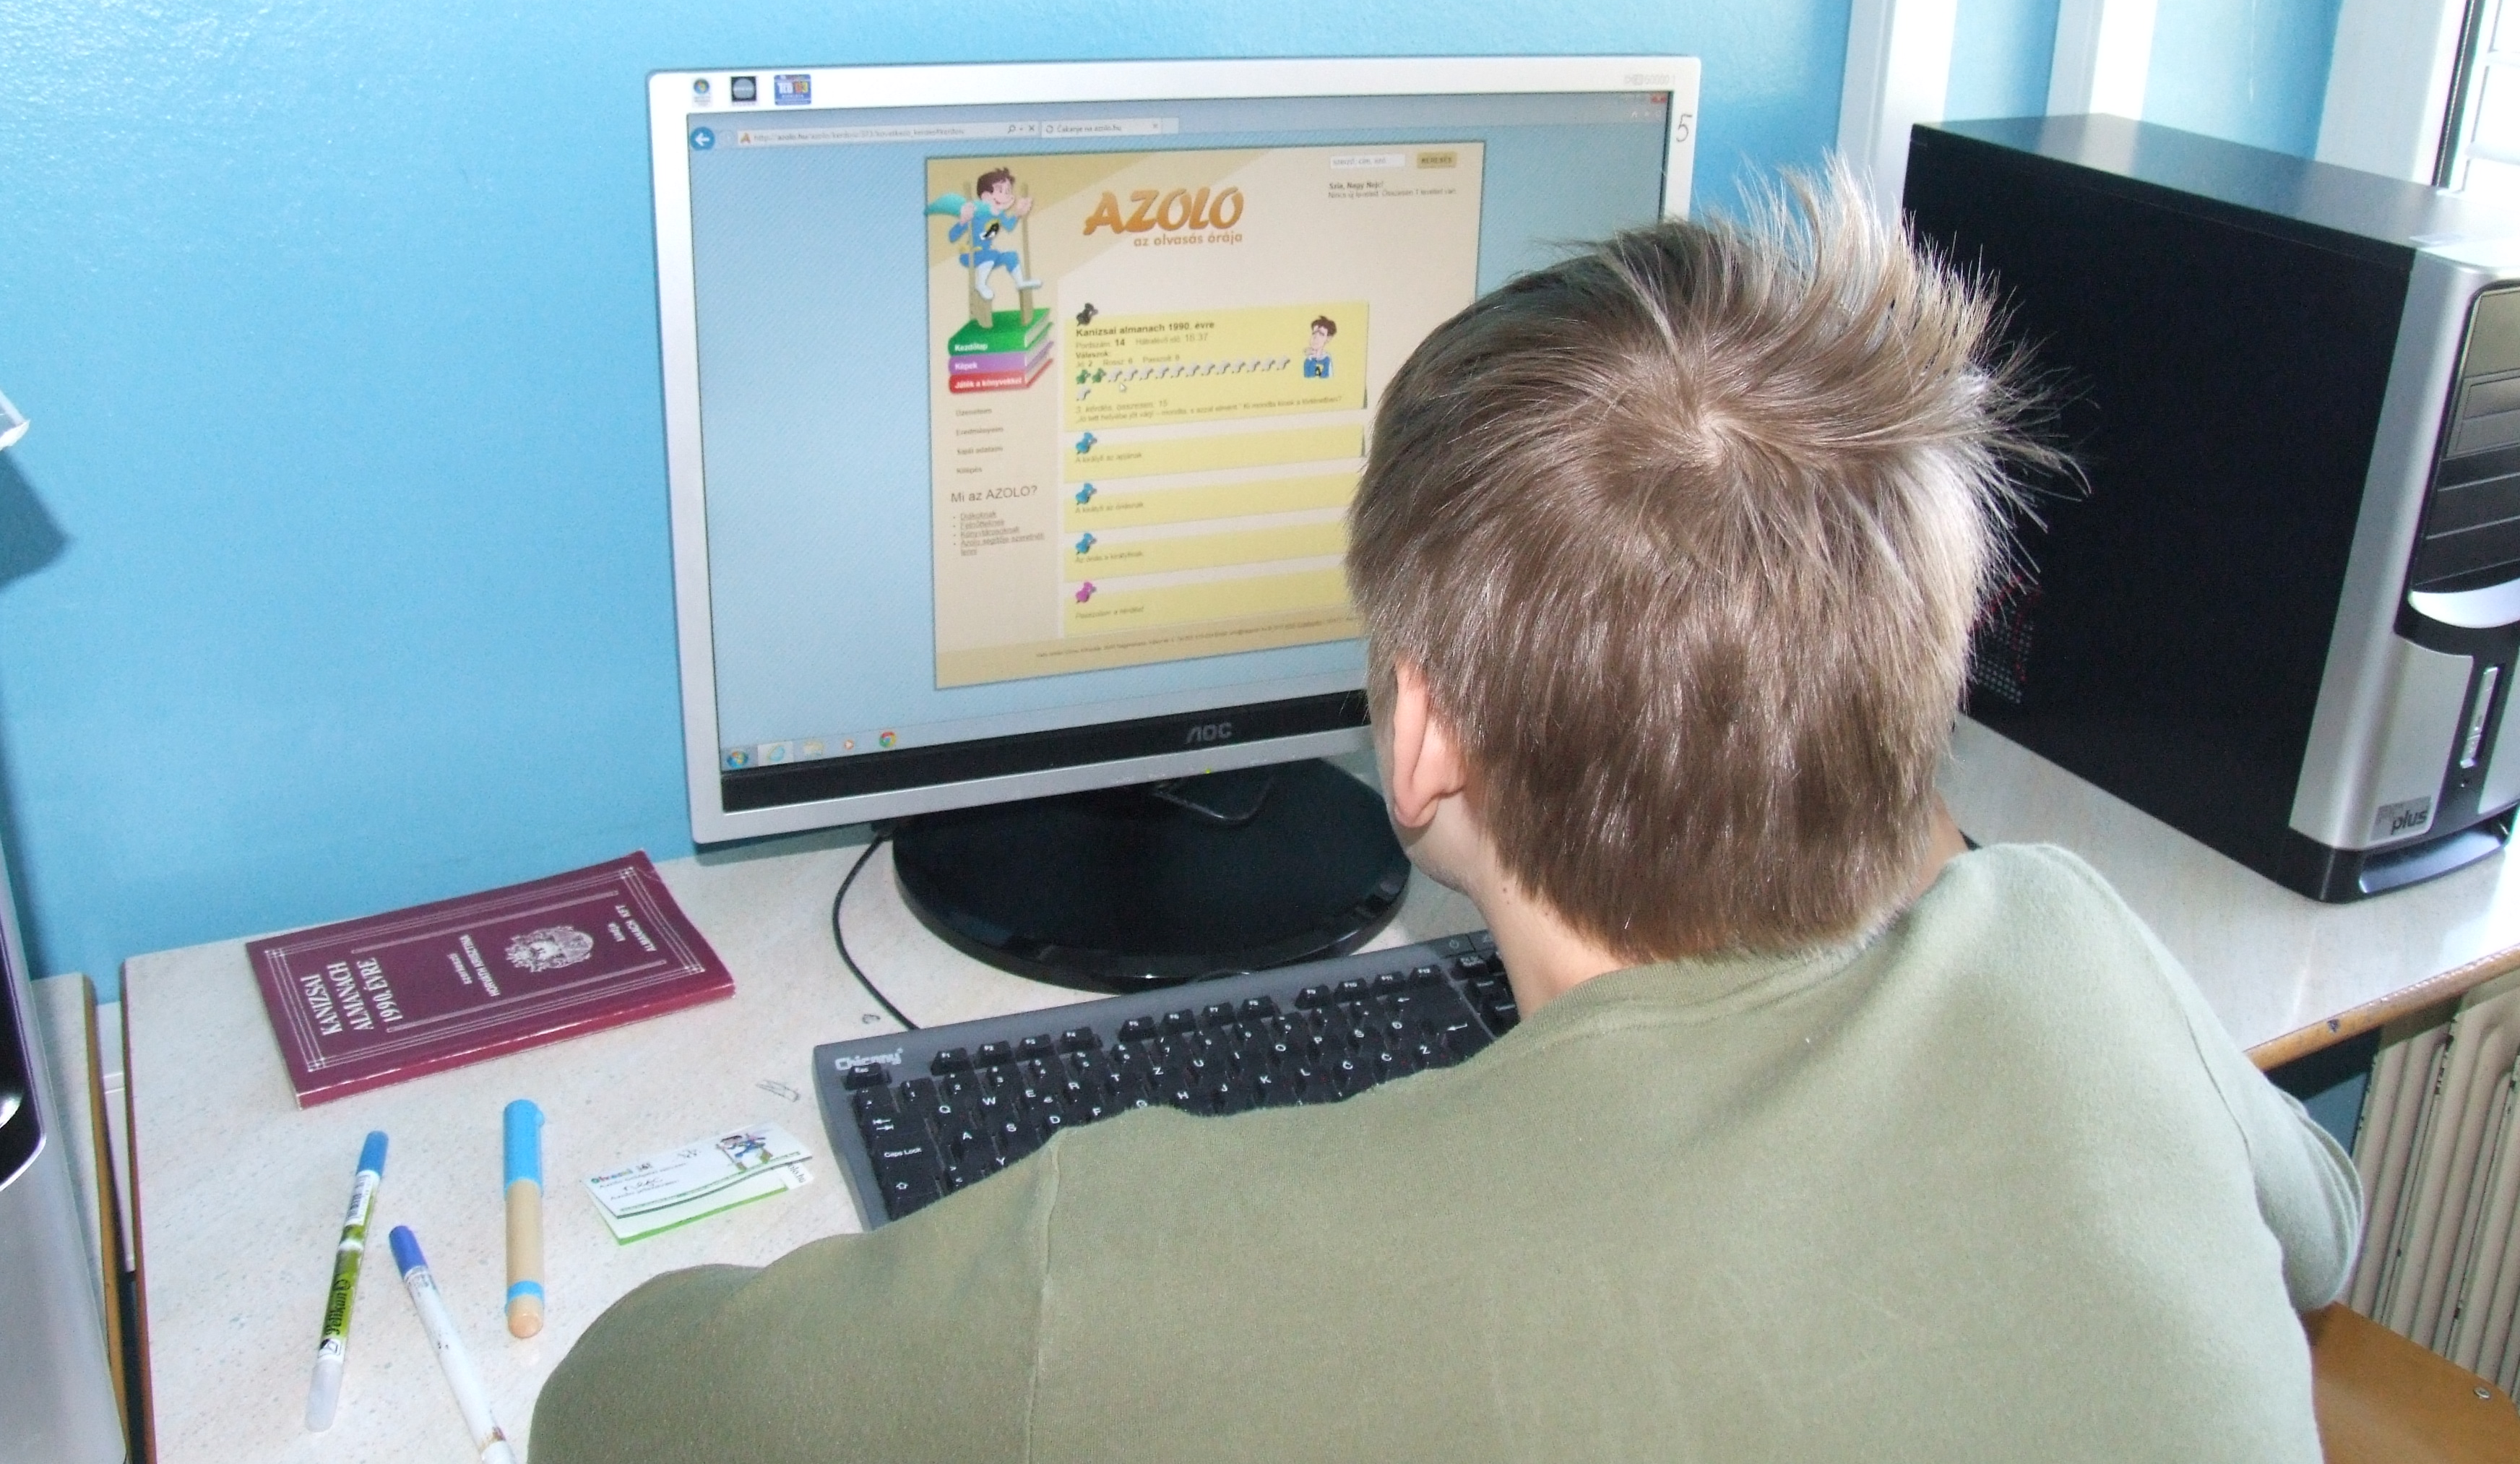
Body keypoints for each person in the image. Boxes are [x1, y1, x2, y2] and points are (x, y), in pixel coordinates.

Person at [535, 165, 2360, 1463]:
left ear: (1420, 736)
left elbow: (615, 1420)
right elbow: (2319, 1231)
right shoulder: (2077, 952)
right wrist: (1858, 760)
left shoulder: (1157, 1267)